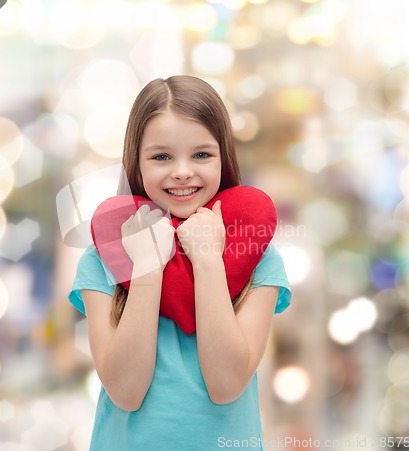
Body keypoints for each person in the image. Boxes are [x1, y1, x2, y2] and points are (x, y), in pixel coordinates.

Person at [68, 75, 292, 450]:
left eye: (201, 155)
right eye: (161, 157)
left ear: (224, 157)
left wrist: (207, 261)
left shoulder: (258, 256)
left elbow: (226, 384)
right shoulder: (103, 257)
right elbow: (125, 392)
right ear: (135, 164)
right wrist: (146, 269)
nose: (183, 171)